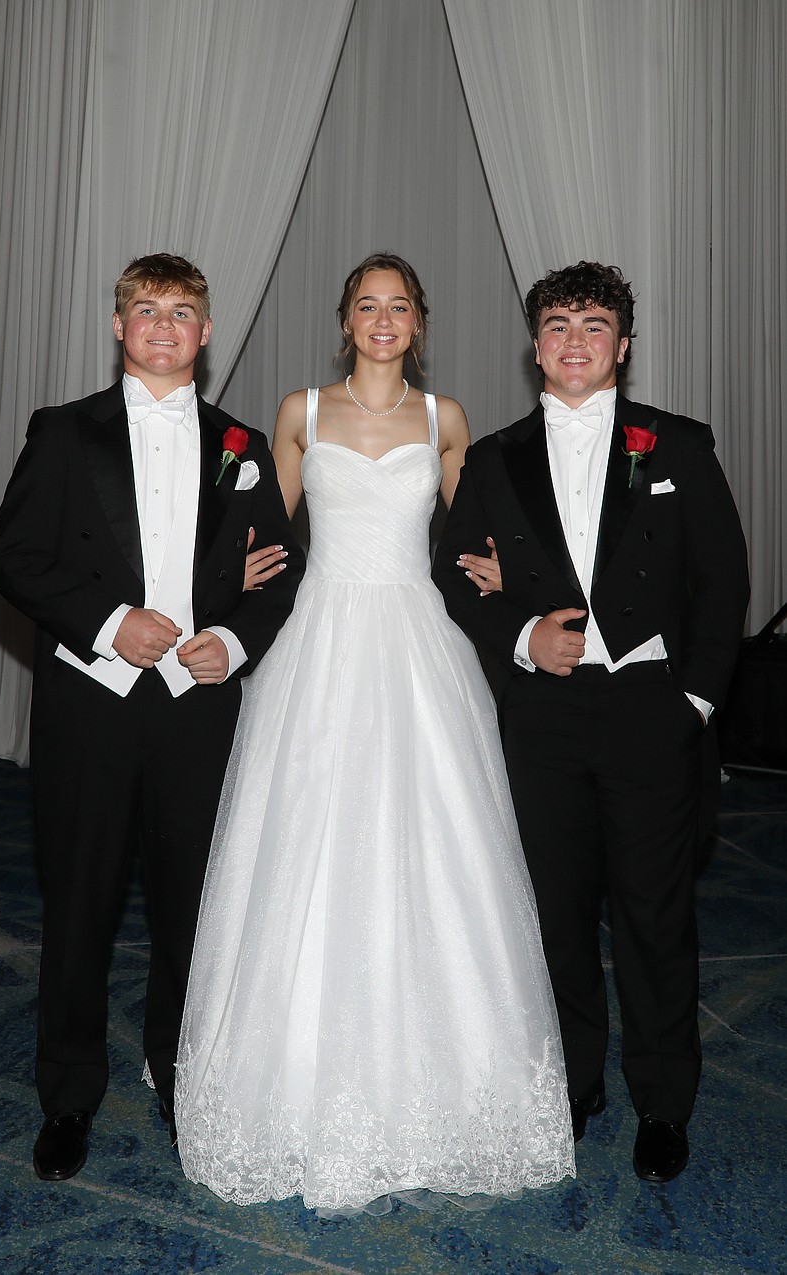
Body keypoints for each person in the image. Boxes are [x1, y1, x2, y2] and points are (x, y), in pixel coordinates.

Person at [174, 253, 575, 1213]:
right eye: (368, 305)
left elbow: (480, 533)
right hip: (320, 640)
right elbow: (257, 534)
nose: (384, 320)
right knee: (306, 833)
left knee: (435, 841)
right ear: (346, 320)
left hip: (415, 641)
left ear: (419, 323)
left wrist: (506, 587)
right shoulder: (299, 412)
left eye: (400, 306)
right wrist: (216, 600)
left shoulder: (448, 422)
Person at [0, 253, 304, 1182]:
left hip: (195, 711)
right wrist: (110, 621)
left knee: (192, 908)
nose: (164, 325)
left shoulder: (242, 445)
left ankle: (183, 1078)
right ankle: (69, 1094)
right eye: (146, 310)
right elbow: (15, 558)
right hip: (92, 703)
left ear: (205, 335)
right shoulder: (63, 432)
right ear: (121, 327)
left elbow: (278, 575)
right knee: (79, 902)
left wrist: (233, 643)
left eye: (182, 312)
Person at [433, 261, 750, 1183]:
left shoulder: (677, 446)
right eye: (560, 324)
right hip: (543, 718)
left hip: (653, 713)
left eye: (595, 324)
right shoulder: (494, 457)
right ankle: (573, 1082)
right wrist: (526, 634)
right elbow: (455, 573)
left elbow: (723, 579)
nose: (577, 339)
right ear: (536, 346)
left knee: (655, 915)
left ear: (623, 346)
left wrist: (693, 700)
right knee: (555, 913)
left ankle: (662, 1098)